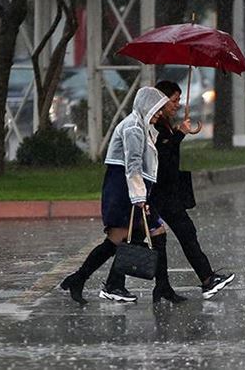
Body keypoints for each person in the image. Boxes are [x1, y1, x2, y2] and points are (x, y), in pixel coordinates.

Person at [60, 87, 170, 305]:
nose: (160, 114)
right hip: (123, 190)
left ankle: (112, 283)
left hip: (131, 189)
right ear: (146, 107)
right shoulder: (133, 128)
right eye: (157, 109)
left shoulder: (142, 127)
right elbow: (133, 165)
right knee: (117, 239)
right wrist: (140, 198)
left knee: (136, 236)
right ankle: (87, 280)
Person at [151, 80, 235, 301]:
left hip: (167, 191)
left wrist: (178, 132)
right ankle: (206, 279)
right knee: (175, 235)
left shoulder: (165, 124)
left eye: (179, 100)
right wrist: (179, 135)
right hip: (160, 192)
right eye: (174, 100)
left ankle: (166, 286)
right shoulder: (156, 125)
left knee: (170, 237)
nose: (177, 104)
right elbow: (161, 157)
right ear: (161, 100)